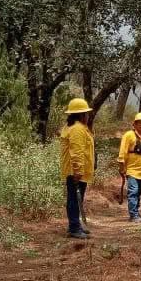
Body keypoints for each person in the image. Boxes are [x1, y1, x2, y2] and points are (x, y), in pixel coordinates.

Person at [59, 98, 95, 239]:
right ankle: (74, 228)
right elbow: (77, 152)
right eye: (86, 113)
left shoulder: (76, 127)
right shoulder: (77, 129)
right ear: (80, 115)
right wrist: (78, 171)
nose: (88, 116)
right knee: (74, 199)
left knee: (75, 199)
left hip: (76, 171)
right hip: (75, 172)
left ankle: (75, 225)